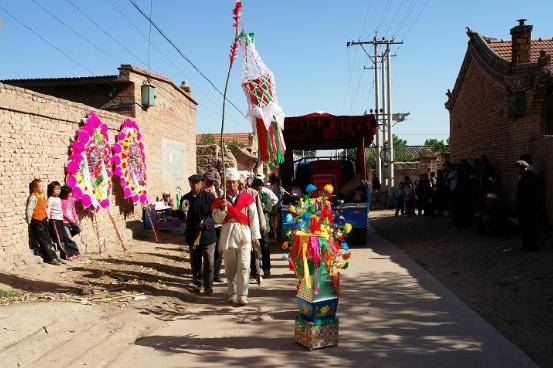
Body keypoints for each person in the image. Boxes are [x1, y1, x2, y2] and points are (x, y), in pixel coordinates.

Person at [212, 170, 261, 306]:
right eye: (228, 183)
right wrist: (222, 210)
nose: (231, 185)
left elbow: (253, 217)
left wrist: (255, 235)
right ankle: (232, 293)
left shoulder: (247, 198)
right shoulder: (220, 200)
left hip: (243, 233)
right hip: (228, 233)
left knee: (244, 266)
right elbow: (216, 219)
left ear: (238, 184)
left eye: (233, 183)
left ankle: (242, 295)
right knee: (230, 267)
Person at [183, 174, 217, 295]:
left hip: (207, 234)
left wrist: (205, 222)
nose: (195, 185)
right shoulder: (185, 198)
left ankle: (208, 285)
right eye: (192, 183)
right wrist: (176, 212)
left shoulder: (209, 198)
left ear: (202, 184)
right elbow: (184, 215)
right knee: (195, 262)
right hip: (193, 235)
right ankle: (198, 283)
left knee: (209, 262)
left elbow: (213, 215)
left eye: (197, 183)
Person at [26, 179, 60, 265]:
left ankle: (55, 256)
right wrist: (30, 221)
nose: (42, 188)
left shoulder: (42, 196)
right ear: (34, 188)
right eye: (40, 186)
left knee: (48, 239)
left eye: (42, 186)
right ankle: (50, 258)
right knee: (43, 240)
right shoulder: (33, 197)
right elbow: (29, 209)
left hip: (44, 219)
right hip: (37, 220)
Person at [251, 178, 278, 277]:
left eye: (259, 189)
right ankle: (254, 270)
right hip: (252, 226)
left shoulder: (265, 195)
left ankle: (266, 268)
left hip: (264, 225)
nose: (258, 191)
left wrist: (262, 206)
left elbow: (268, 207)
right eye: (256, 189)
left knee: (265, 247)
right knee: (253, 249)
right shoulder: (249, 196)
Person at [47, 181, 79, 261]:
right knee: (60, 239)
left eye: (59, 189)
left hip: (60, 220)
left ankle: (71, 253)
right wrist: (48, 219)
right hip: (54, 220)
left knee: (65, 237)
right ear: (51, 190)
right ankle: (66, 255)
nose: (58, 191)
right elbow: (48, 209)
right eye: (55, 189)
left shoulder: (58, 199)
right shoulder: (51, 199)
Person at [515, 158, 540, 252]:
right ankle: (526, 245)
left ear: (522, 167)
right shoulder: (526, 175)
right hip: (525, 206)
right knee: (525, 227)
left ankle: (531, 247)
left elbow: (530, 193)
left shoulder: (529, 176)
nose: (516, 171)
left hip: (528, 207)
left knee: (529, 227)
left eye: (517, 168)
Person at [203, 172, 223, 283]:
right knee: (208, 252)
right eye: (207, 182)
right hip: (207, 226)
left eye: (211, 182)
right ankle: (207, 274)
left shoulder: (219, 193)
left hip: (218, 225)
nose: (209, 184)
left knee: (219, 251)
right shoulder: (201, 194)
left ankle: (216, 273)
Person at [60, 186, 81, 259]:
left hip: (72, 220)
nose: (71, 194)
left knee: (78, 229)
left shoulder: (71, 199)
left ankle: (65, 237)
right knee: (68, 238)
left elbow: (73, 209)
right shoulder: (61, 201)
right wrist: (69, 220)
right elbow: (63, 213)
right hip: (65, 221)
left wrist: (75, 217)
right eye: (69, 193)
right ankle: (73, 253)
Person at [268, 174, 282, 239]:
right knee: (272, 221)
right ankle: (275, 234)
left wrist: (277, 207)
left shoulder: (277, 186)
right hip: (272, 206)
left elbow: (278, 197)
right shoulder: (271, 186)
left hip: (276, 206)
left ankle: (277, 235)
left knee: (276, 222)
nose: (269, 180)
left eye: (270, 178)